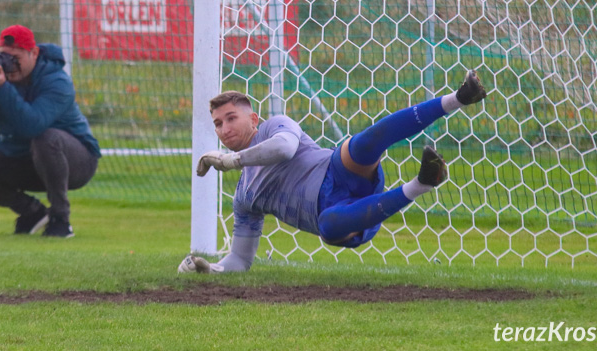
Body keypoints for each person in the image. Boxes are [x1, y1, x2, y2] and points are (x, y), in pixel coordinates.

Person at [178, 70, 487, 273]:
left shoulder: (275, 126)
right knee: (328, 225)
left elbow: (284, 148)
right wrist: (210, 268)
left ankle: (459, 98)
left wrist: (233, 160)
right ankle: (423, 182)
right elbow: (240, 260)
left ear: (254, 118)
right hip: (341, 214)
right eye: (218, 123)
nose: (225, 128)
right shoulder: (244, 197)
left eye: (231, 118)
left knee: (361, 145)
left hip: (336, 171)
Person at [0, 24, 100, 238]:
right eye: (4, 57)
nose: (10, 65)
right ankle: (32, 213)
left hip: (76, 162)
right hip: (26, 158)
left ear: (34, 53)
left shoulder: (56, 81)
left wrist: (2, 88)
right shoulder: (0, 79)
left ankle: (60, 220)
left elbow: (33, 126)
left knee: (45, 138)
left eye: (16, 58)